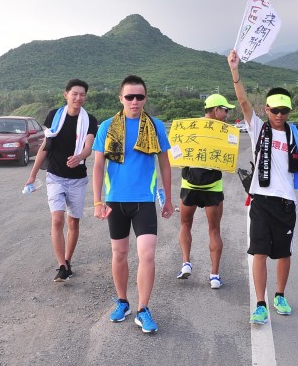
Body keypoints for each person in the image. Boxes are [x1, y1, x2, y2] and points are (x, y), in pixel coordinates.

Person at [228, 49, 298, 325]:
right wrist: (235, 70)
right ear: (266, 109)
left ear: (289, 111)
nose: (279, 114)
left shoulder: (296, 136)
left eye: (284, 110)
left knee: (283, 253)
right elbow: (243, 101)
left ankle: (279, 295)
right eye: (274, 110)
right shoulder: (258, 128)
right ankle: (260, 303)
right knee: (259, 252)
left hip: (286, 204)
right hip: (261, 201)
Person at [92, 75, 174, 334]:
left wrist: (168, 198)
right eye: (130, 97)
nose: (135, 101)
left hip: (144, 201)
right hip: (115, 201)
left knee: (147, 254)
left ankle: (143, 308)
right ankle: (123, 301)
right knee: (119, 254)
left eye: (139, 96)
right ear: (121, 99)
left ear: (145, 98)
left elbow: (165, 164)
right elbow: (97, 165)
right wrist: (97, 200)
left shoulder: (156, 126)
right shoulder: (107, 126)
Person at [25, 78, 98, 283]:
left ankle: (68, 260)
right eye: (74, 93)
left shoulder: (89, 120)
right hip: (55, 176)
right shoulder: (54, 116)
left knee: (72, 221)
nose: (78, 97)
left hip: (77, 179)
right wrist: (32, 174)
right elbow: (45, 146)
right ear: (66, 94)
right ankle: (61, 265)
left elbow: (88, 147)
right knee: (57, 219)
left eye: (82, 94)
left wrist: (80, 157)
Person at [176, 93, 236, 289]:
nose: (226, 114)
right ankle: (214, 276)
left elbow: (176, 150)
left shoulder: (189, 128)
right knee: (214, 230)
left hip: (190, 185)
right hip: (212, 187)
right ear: (216, 110)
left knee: (185, 224)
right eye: (225, 110)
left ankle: (186, 263)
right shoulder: (224, 130)